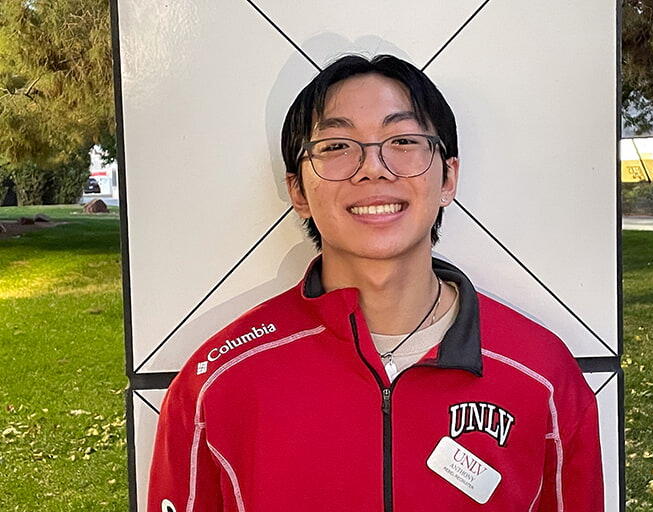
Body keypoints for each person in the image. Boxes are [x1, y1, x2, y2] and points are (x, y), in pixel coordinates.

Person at [147, 54, 604, 511]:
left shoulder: (543, 377)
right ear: (298, 192)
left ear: (448, 177)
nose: (374, 168)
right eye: (336, 146)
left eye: (403, 140)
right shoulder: (217, 382)